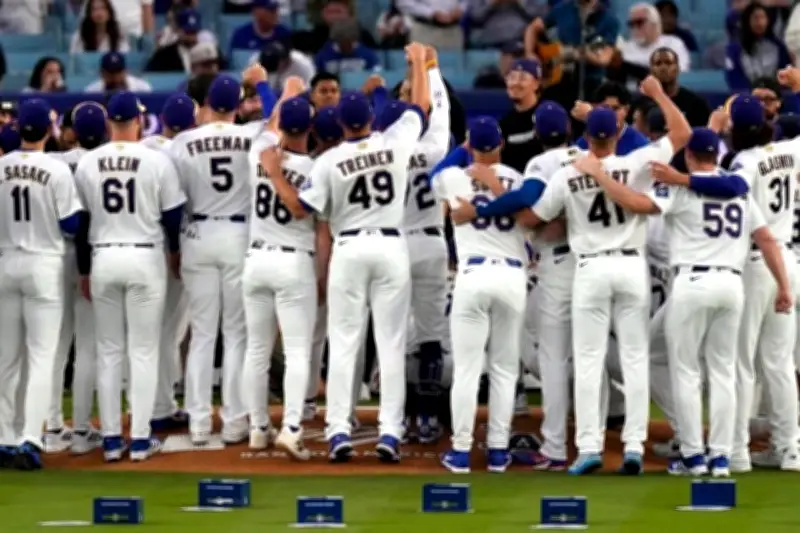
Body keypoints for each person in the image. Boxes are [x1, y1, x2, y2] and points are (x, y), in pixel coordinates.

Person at [582, 127, 791, 477]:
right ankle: (721, 456)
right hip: (732, 284)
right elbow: (767, 239)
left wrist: (599, 175)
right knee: (723, 373)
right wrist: (784, 286)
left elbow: (635, 204)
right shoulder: (736, 191)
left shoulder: (681, 186)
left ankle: (694, 455)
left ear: (691, 156)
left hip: (693, 283)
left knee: (687, 371)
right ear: (716, 156)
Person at [512, 76, 690, 475]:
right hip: (631, 264)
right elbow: (681, 132)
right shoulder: (636, 162)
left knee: (589, 360)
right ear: (617, 135)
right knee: (634, 357)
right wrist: (658, 94)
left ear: (587, 137)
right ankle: (632, 447)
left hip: (590, 268)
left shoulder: (569, 171)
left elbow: (532, 218)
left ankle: (588, 447)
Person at [268, 42, 430, 463]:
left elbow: (303, 207)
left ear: (339, 121)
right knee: (391, 344)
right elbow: (422, 107)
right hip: (391, 245)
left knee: (343, 344)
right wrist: (415, 62)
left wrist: (274, 174)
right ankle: (390, 433)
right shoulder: (395, 142)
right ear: (372, 119)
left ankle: (339, 430)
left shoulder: (330, 161)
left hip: (350, 248)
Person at [74, 92, 184, 462]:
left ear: (109, 123)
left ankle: (109, 439)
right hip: (144, 256)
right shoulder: (156, 160)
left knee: (109, 352)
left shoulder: (89, 162)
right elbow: (172, 217)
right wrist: (174, 252)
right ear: (139, 121)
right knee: (143, 350)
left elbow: (82, 221)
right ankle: (139, 439)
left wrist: (85, 269)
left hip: (104, 256)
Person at [710, 93, 800, 473]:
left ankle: (738, 451)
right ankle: (790, 449)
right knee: (779, 363)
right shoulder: (789, 150)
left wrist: (685, 175)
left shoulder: (744, 161)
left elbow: (730, 189)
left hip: (755, 262)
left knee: (742, 363)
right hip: (789, 261)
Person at [435, 117, 527, 474]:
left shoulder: (455, 176)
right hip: (511, 275)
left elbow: (437, 170)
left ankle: (460, 451)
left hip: (472, 274)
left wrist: (464, 147)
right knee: (505, 369)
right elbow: (531, 216)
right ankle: (499, 451)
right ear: (501, 143)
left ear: (472, 145)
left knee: (468, 369)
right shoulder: (518, 180)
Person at [169, 75, 255, 446]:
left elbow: (172, 201)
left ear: (204, 104)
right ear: (238, 105)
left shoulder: (182, 141)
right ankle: (235, 420)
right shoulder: (253, 136)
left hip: (197, 233)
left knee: (202, 334)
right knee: (236, 333)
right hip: (238, 234)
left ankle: (199, 422)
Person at [243, 95, 327, 459]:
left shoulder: (257, 153)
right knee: (296, 352)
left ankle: (258, 428)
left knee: (257, 351)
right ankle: (291, 428)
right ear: (310, 128)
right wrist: (322, 276)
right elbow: (303, 214)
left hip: (256, 258)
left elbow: (270, 124)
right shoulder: (317, 169)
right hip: (293, 263)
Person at [0, 99, 82, 471]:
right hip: (44, 264)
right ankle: (30, 438)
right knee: (41, 357)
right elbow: (71, 225)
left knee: (6, 359)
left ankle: (3, 437)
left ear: (18, 130)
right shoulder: (56, 169)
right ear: (48, 131)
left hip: (6, 263)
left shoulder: (0, 166)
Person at [389, 46, 450, 444]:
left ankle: (396, 419)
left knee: (394, 336)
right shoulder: (435, 149)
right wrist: (431, 68)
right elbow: (439, 109)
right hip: (430, 244)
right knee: (431, 337)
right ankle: (427, 417)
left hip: (394, 247)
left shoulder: (382, 149)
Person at [44, 103, 108, 457]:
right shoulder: (101, 165)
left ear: (70, 132)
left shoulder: (52, 164)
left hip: (54, 257)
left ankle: (53, 426)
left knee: (54, 346)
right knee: (87, 347)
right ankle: (82, 428)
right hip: (89, 258)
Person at [139, 93, 197, 432]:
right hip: (173, 243)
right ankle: (160, 405)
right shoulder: (189, 149)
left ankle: (160, 402)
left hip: (145, 241)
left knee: (156, 331)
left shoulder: (147, 146)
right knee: (169, 331)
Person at [726, 2, 791, 91]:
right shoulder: (734, 49)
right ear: (747, 20)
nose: (760, 22)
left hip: (774, 96)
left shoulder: (778, 47)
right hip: (746, 96)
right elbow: (735, 79)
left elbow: (785, 76)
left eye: (763, 17)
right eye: (755, 18)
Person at [574, 82, 650, 155]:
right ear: (595, 108)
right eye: (605, 108)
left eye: (615, 108)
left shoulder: (641, 146)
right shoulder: (582, 144)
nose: (610, 114)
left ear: (626, 110)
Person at [618, 3, 690, 74]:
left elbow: (678, 73)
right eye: (632, 24)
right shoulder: (626, 49)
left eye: (639, 22)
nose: (635, 28)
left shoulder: (673, 44)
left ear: (654, 24)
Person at [499, 59, 544, 173]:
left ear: (536, 84)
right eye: (512, 78)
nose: (515, 83)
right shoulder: (504, 124)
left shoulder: (548, 116)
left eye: (523, 78)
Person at [649, 47, 709, 128]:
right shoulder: (641, 103)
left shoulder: (696, 104)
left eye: (668, 63)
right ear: (651, 70)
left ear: (677, 69)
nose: (663, 68)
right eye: (658, 63)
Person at [145, 8, 207, 72]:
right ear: (178, 30)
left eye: (194, 32)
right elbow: (149, 75)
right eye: (187, 32)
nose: (191, 37)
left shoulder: (208, 54)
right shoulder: (164, 56)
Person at [314, 19, 381, 75]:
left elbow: (376, 76)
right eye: (342, 43)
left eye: (349, 43)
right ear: (336, 41)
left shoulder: (369, 55)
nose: (346, 46)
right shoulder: (322, 56)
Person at [397, 0, 465, 49]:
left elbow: (466, 2)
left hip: (452, 31)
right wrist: (431, 13)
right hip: (424, 29)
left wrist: (461, 9)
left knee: (452, 67)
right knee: (422, 67)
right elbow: (404, 3)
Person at [84, 52, 153, 94]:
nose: (115, 78)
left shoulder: (142, 89)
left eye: (118, 72)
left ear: (125, 71)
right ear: (102, 73)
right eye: (111, 73)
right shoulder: (91, 91)